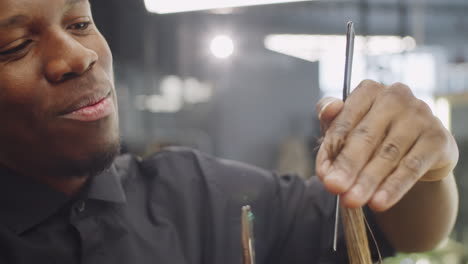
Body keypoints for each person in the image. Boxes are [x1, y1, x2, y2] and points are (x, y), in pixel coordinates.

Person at [0, 0, 459, 263]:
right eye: (15, 47)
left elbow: (406, 231)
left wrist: (425, 171)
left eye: (80, 23)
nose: (79, 57)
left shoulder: (196, 194)